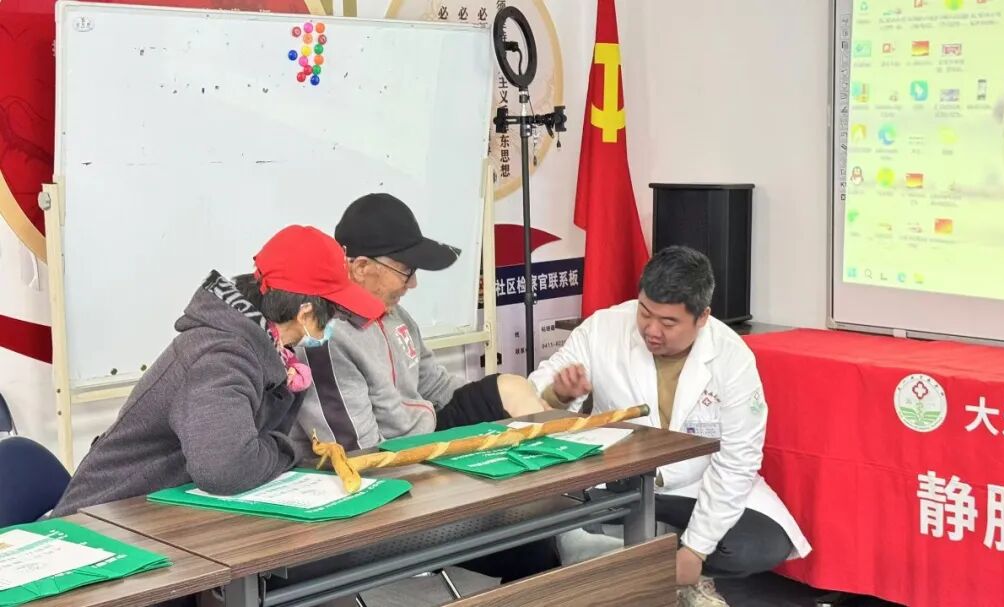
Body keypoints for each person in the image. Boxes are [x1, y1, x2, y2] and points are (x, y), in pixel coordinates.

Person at [293, 192, 557, 583]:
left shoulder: (394, 315)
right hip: (381, 477)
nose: (413, 283)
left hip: (422, 441)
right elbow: (360, 456)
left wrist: (484, 426)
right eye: (406, 270)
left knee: (511, 388)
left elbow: (436, 384)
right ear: (361, 267)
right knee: (530, 548)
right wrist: (459, 471)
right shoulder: (323, 338)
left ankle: (567, 497)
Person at [529, 246, 811, 607]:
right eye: (644, 312)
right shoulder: (603, 328)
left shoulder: (732, 357)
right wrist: (558, 394)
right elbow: (534, 393)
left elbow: (738, 461)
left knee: (760, 543)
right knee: (545, 523)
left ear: (702, 317)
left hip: (694, 485)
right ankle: (659, 573)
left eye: (668, 322)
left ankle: (648, 565)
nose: (651, 330)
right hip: (618, 483)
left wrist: (695, 549)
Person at [52, 225, 384, 517]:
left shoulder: (263, 347)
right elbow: (226, 469)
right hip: (102, 521)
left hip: (161, 513)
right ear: (305, 313)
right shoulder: (221, 356)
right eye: (332, 315)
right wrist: (288, 449)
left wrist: (266, 446)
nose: (331, 327)